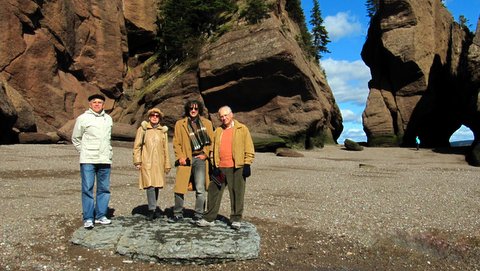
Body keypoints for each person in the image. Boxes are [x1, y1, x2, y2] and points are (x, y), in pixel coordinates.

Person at [196, 106, 255, 230]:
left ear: (231, 114)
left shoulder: (242, 129)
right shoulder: (218, 131)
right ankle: (209, 218)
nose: (224, 118)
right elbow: (212, 149)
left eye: (226, 115)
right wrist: (214, 165)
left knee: (237, 193)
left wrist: (247, 164)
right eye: (221, 116)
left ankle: (236, 219)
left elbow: (249, 147)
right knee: (213, 192)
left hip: (236, 168)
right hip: (220, 168)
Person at [72, 93, 113, 229]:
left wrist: (109, 152)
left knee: (104, 189)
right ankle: (88, 218)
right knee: (87, 188)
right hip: (88, 159)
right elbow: (76, 138)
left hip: (104, 159)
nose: (97, 104)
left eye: (99, 102)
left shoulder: (108, 119)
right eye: (94, 102)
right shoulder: (82, 118)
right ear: (90, 104)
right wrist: (83, 151)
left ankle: (101, 215)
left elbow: (108, 138)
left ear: (103, 105)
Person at [169, 100, 214, 223]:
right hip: (186, 159)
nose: (193, 111)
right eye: (191, 109)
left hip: (200, 159)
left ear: (199, 110)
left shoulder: (207, 123)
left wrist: (205, 154)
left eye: (195, 109)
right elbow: (176, 142)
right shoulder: (180, 124)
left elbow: (212, 141)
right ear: (187, 110)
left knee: (200, 188)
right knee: (180, 187)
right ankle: (177, 213)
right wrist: (180, 157)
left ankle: (199, 214)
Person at [133, 108, 171, 221]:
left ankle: (153, 209)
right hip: (147, 162)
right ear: (149, 117)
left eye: (157, 116)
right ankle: (152, 210)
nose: (155, 117)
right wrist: (137, 161)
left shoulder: (162, 131)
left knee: (157, 186)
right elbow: (137, 146)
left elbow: (166, 149)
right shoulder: (143, 129)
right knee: (150, 186)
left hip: (159, 163)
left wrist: (167, 164)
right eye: (152, 115)